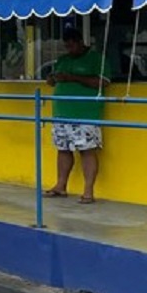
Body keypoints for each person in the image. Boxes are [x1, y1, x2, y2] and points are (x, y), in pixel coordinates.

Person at [45, 23, 110, 204]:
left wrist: (73, 78)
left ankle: (88, 191)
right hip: (61, 112)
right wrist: (52, 79)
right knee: (63, 149)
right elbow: (53, 80)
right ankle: (60, 185)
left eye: (71, 45)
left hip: (85, 113)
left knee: (87, 150)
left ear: (80, 42)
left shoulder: (97, 59)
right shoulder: (63, 60)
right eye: (66, 46)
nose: (69, 49)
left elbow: (103, 82)